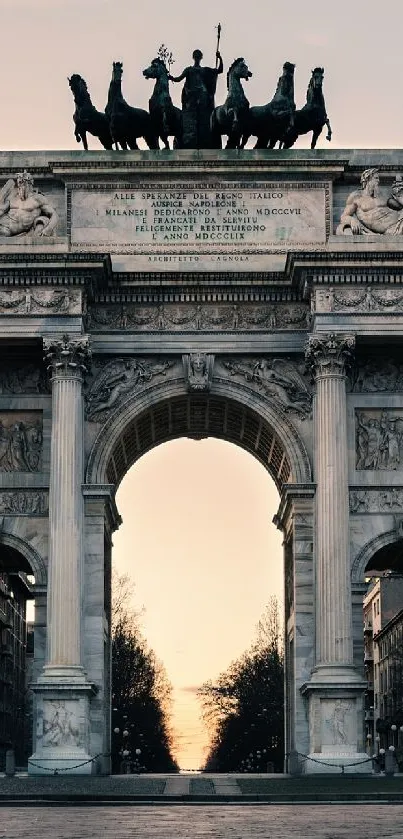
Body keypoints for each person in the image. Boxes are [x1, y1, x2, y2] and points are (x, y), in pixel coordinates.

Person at [169, 49, 223, 147]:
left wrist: (219, 57)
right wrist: (171, 77)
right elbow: (178, 79)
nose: (197, 57)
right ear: (194, 57)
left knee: (204, 113)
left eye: (199, 56)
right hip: (192, 96)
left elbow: (220, 70)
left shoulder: (205, 70)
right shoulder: (189, 70)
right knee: (190, 114)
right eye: (196, 56)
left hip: (203, 94)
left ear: (201, 57)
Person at [337, 168, 403, 235]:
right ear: (368, 179)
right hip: (388, 231)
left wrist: (399, 195)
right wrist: (352, 220)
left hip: (398, 223)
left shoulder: (383, 196)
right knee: (343, 230)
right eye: (376, 178)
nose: (378, 181)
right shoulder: (356, 197)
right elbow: (344, 216)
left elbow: (400, 207)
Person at [0, 170, 58, 237]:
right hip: (5, 227)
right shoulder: (13, 198)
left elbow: (54, 214)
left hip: (25, 230)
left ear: (29, 184)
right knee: (4, 232)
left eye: (23, 183)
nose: (21, 186)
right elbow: (2, 210)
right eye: (19, 183)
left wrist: (49, 228)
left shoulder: (37, 199)